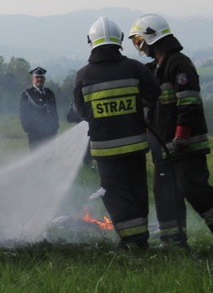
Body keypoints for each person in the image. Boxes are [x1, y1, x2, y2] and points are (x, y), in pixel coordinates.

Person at [73, 16, 160, 249]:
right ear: (119, 40)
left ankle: (133, 241)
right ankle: (140, 239)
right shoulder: (134, 68)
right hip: (135, 147)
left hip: (106, 150)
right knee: (137, 190)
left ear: (91, 41)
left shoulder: (83, 75)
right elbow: (153, 94)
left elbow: (82, 111)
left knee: (115, 195)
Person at [129, 13, 213, 247]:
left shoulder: (178, 63)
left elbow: (188, 101)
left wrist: (182, 135)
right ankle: (173, 243)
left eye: (138, 41)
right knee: (165, 194)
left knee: (195, 191)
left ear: (150, 37)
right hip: (165, 148)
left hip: (185, 146)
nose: (139, 46)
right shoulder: (154, 68)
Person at [19, 67, 60, 150]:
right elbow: (23, 113)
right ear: (32, 79)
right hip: (34, 131)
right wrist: (27, 128)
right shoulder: (26, 94)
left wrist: (55, 126)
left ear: (44, 79)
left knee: (50, 155)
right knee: (35, 155)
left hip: (49, 131)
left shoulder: (50, 93)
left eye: (41, 77)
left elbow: (54, 111)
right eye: (37, 77)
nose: (39, 79)